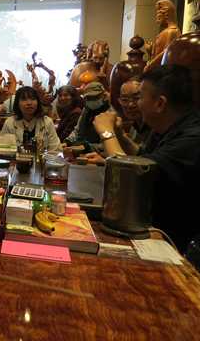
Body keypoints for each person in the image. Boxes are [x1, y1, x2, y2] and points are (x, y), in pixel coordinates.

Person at [91, 65, 200, 251]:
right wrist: (121, 136)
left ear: (160, 103)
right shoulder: (165, 128)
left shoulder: (192, 138)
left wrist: (107, 133)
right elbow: (143, 160)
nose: (134, 104)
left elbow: (132, 180)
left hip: (176, 245)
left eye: (139, 97)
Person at [0, 86, 62, 152]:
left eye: (33, 99)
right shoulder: (10, 122)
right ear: (17, 103)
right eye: (24, 99)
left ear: (38, 102)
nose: (29, 103)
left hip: (43, 158)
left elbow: (55, 149)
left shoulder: (47, 122)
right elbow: (3, 148)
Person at [64, 81, 110, 151]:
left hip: (99, 153)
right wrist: (68, 142)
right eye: (88, 98)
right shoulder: (87, 109)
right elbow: (77, 130)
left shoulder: (109, 113)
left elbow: (108, 143)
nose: (91, 100)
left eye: (95, 97)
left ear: (103, 96)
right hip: (82, 148)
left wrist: (87, 147)